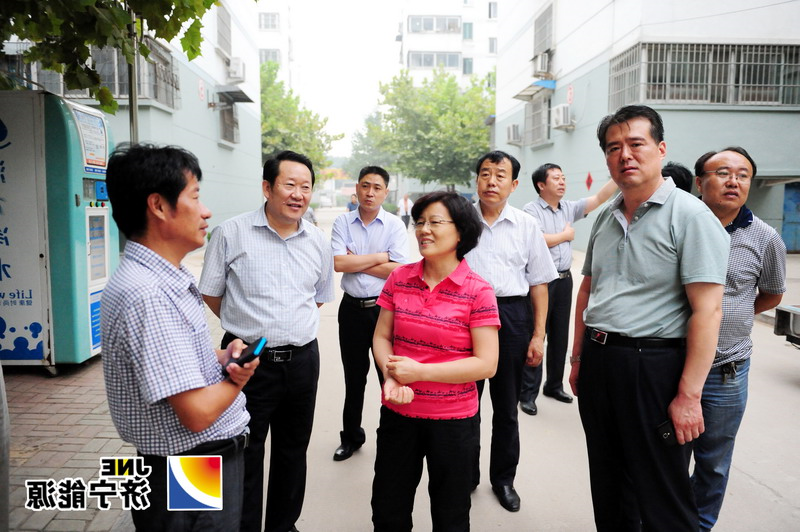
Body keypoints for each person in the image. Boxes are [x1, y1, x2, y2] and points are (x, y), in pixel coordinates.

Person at [568, 105, 730, 531]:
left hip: (653, 367)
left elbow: (708, 310)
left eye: (636, 144)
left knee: (661, 493)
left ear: (660, 149)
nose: (625, 155)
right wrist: (578, 357)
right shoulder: (606, 217)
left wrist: (689, 395)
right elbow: (588, 290)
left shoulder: (691, 216)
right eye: (613, 148)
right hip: (601, 363)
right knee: (608, 484)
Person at [101, 144, 259, 531]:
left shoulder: (161, 277)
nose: (206, 212)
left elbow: (170, 365)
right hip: (189, 466)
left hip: (189, 462)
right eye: (195, 196)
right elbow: (197, 413)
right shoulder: (148, 294)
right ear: (158, 206)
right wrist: (237, 378)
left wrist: (220, 359)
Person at [199, 150, 334, 532]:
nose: (298, 194)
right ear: (267, 187)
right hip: (247, 361)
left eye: (305, 187)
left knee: (293, 448)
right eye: (289, 185)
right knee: (245, 447)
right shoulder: (231, 233)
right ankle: (244, 526)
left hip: (302, 360)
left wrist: (286, 324)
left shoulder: (317, 241)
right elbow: (211, 292)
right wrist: (245, 324)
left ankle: (283, 525)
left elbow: (319, 295)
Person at [371, 191, 500, 531]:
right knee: (388, 508)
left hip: (453, 422)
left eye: (435, 222)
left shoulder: (478, 291)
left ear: (461, 232)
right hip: (399, 414)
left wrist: (420, 372)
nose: (423, 230)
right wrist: (391, 374)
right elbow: (381, 337)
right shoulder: (400, 278)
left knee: (451, 514)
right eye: (420, 222)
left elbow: (486, 364)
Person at [692, 147, 786, 531]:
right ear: (699, 182)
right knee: (665, 454)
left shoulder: (765, 238)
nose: (734, 181)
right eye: (723, 172)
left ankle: (699, 525)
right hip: (671, 360)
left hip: (726, 370)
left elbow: (772, 293)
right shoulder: (682, 224)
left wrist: (732, 314)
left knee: (713, 461)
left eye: (743, 175)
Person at [464, 151, 557, 512]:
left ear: (514, 184)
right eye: (485, 173)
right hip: (465, 316)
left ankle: (503, 479)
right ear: (476, 179)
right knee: (464, 404)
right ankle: (465, 475)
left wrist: (538, 335)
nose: (491, 181)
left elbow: (539, 283)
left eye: (500, 175)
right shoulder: (460, 220)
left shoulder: (526, 225)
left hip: (512, 316)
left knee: (506, 407)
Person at [519, 163, 618, 414]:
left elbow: (599, 198)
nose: (562, 182)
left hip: (564, 280)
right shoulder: (531, 210)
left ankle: (553, 385)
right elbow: (536, 240)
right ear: (541, 185)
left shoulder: (568, 208)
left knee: (560, 335)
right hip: (541, 282)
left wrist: (617, 175)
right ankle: (527, 393)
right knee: (537, 334)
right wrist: (565, 235)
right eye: (556, 178)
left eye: (563, 177)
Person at [331, 165, 409, 462]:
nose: (370, 192)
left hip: (384, 310)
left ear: (385, 192)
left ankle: (393, 439)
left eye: (377, 187)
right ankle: (351, 437)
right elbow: (339, 264)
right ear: (357, 188)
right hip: (351, 309)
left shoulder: (394, 225)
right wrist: (380, 257)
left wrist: (358, 261)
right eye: (365, 186)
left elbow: (398, 271)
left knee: (388, 374)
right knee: (354, 378)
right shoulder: (342, 222)